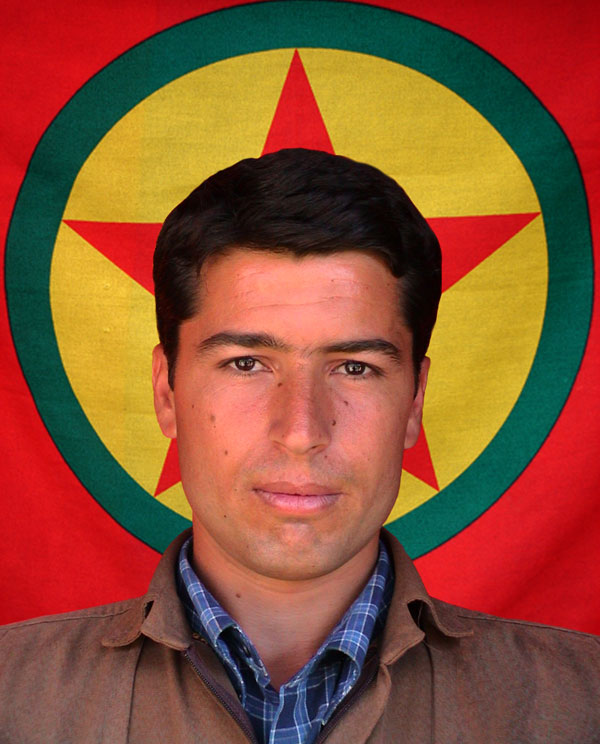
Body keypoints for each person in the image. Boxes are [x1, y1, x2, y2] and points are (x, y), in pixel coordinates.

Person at [1, 149, 599, 743]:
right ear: (167, 392)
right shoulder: (14, 698)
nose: (302, 431)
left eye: (355, 368)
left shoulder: (579, 705)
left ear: (414, 402)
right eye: (247, 363)